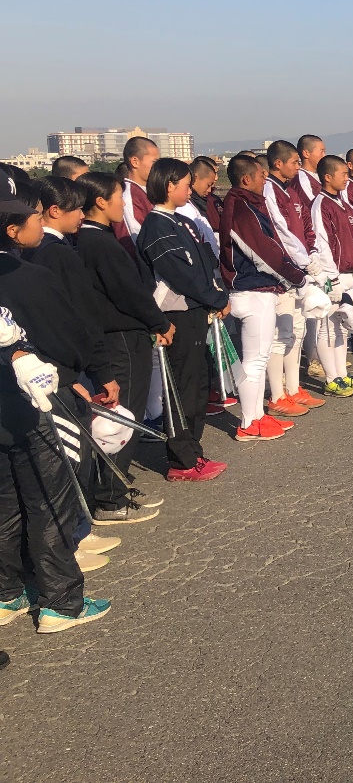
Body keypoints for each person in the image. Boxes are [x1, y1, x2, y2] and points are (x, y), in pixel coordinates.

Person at [0, 198, 112, 633]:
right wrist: (78, 369)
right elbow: (70, 338)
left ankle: (7, 593)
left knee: (6, 501)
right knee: (50, 498)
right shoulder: (29, 277)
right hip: (39, 399)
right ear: (12, 230)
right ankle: (61, 601)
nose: (37, 225)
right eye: (31, 219)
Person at [74, 171, 172, 522]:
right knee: (121, 416)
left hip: (109, 337)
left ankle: (111, 486)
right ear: (100, 201)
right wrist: (159, 322)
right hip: (120, 337)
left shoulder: (84, 240)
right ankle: (110, 498)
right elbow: (129, 292)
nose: (123, 204)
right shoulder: (99, 242)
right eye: (119, 197)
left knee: (115, 414)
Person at [136, 158, 230, 482]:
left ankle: (194, 451)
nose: (191, 190)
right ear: (169, 185)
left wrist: (213, 297)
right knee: (182, 388)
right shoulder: (157, 226)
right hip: (176, 313)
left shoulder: (176, 221)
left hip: (194, 311)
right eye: (187, 185)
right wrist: (216, 298)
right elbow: (182, 274)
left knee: (198, 385)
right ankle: (181, 460)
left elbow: (202, 264)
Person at [219, 155, 306, 441]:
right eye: (260, 175)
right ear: (246, 179)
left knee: (260, 357)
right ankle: (248, 422)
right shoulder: (242, 208)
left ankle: (256, 415)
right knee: (254, 362)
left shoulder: (248, 204)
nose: (264, 179)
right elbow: (263, 252)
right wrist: (295, 277)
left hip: (260, 290)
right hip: (250, 289)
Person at [261, 141, 326, 417]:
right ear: (278, 163)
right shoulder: (269, 190)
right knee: (281, 334)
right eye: (294, 162)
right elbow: (281, 231)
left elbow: (306, 226)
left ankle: (294, 388)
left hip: (302, 268)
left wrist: (312, 252)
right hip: (285, 270)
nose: (298, 166)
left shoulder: (292, 190)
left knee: (296, 331)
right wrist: (302, 260)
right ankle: (277, 394)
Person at [309, 155, 353, 396]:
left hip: (350, 272)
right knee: (327, 327)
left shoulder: (343, 203)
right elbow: (322, 243)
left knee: (342, 328)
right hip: (333, 275)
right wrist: (331, 279)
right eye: (343, 174)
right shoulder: (321, 205)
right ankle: (331, 378)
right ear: (327, 177)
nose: (347, 179)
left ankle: (342, 374)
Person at [115, 136, 159, 257]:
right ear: (135, 162)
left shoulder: (145, 192)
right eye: (154, 162)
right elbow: (134, 240)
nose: (157, 168)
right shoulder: (128, 196)